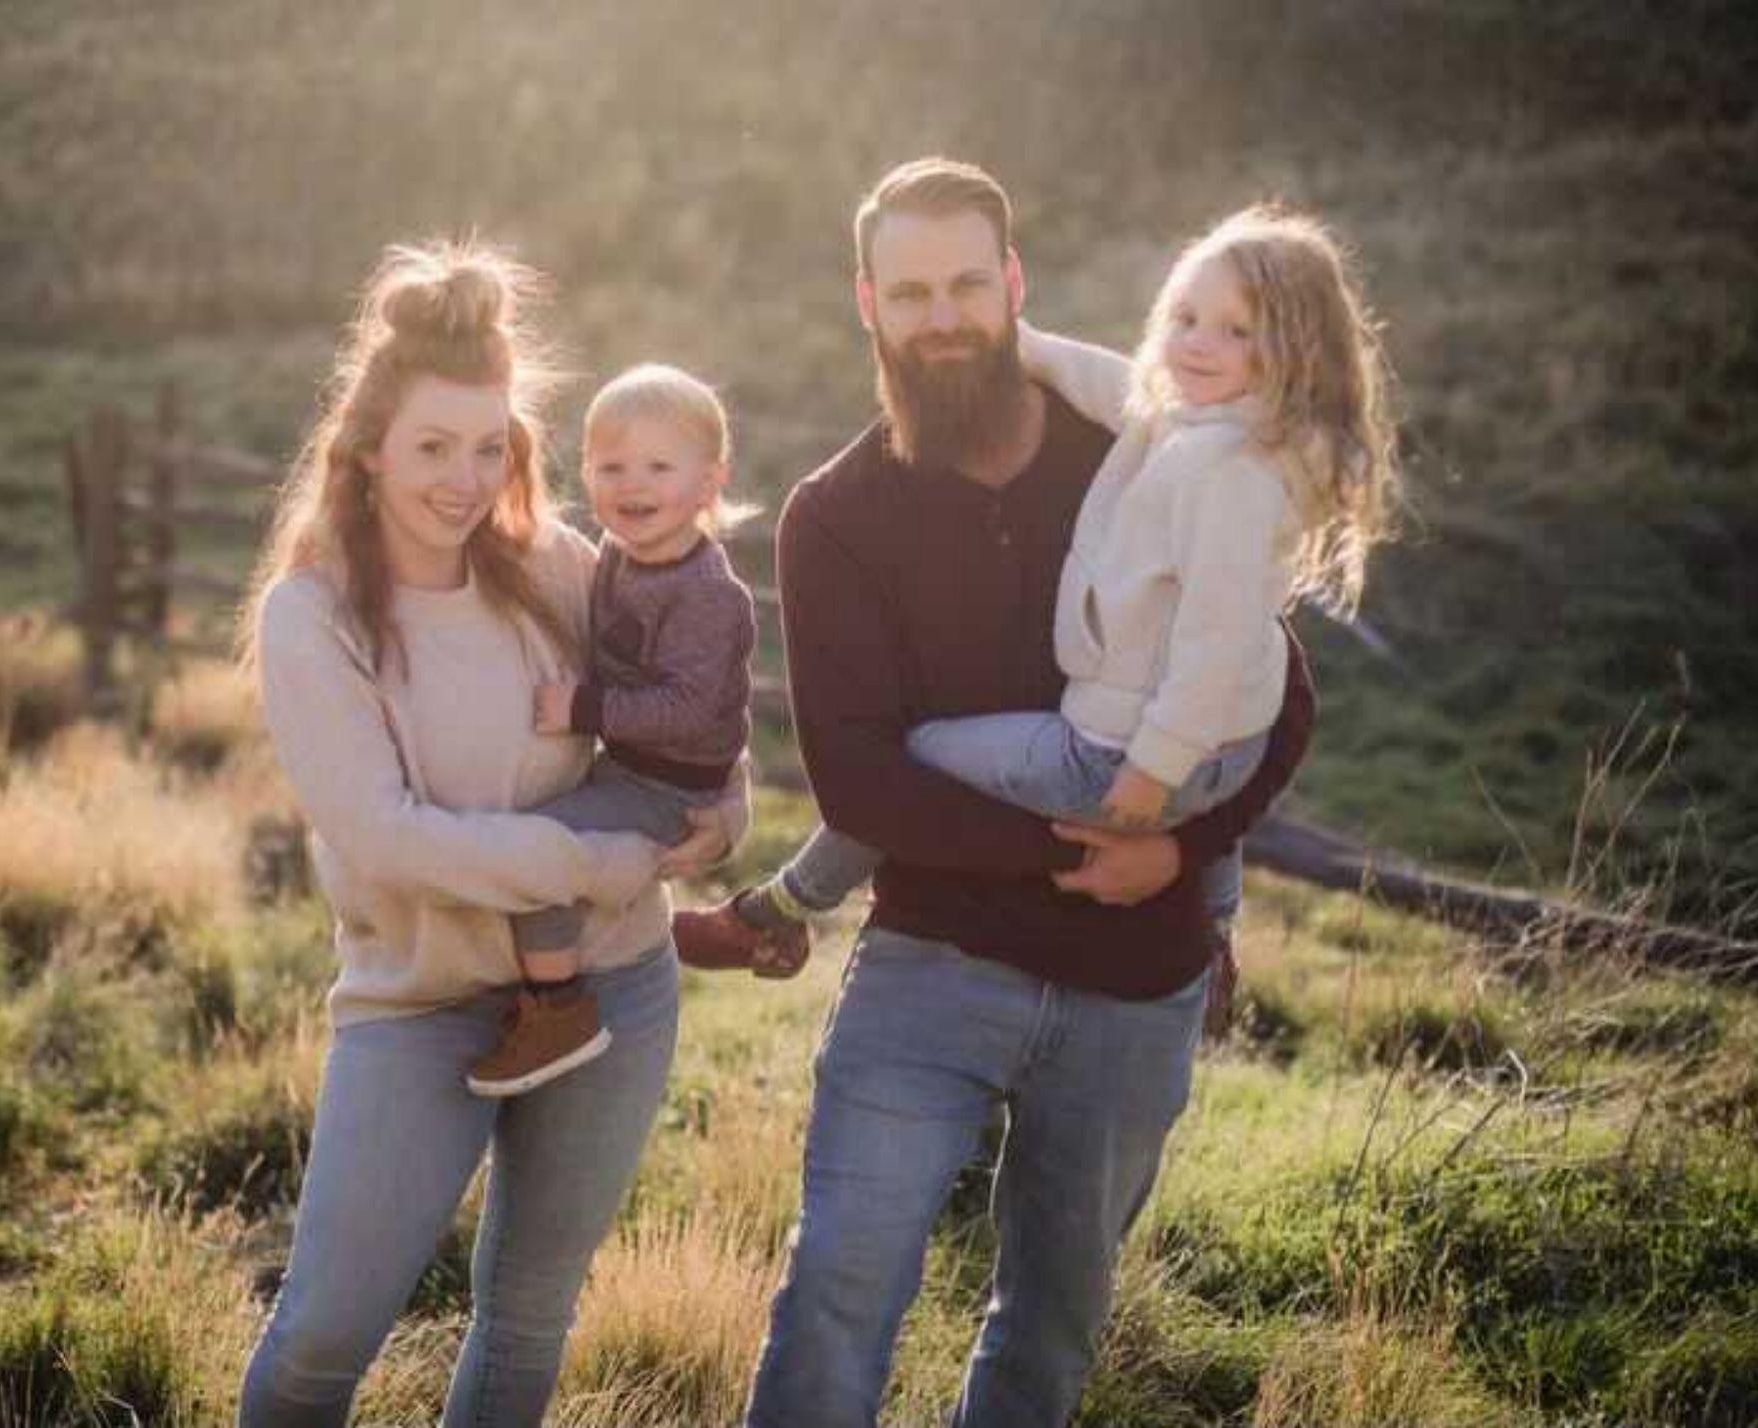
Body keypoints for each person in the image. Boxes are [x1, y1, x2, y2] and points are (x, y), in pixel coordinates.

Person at [716, 158, 1323, 1428]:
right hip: (931, 967)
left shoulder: (1143, 441)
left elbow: (1275, 685)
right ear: (866, 305)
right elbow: (859, 774)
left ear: (1010, 287)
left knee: (1049, 1330)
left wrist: (1179, 849)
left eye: (963, 286)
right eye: (908, 291)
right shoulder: (834, 515)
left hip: (1129, 985)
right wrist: (1078, 854)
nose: (940, 317)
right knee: (834, 1295)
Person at [234, 240, 743, 1428]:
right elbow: (384, 837)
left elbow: (695, 702)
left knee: (524, 1321)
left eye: (486, 446)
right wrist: (604, 861)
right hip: (422, 1001)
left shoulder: (553, 564)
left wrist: (721, 813)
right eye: (430, 448)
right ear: (365, 448)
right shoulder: (313, 617)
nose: (463, 481)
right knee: (321, 1334)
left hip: (615, 986)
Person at [681, 203, 1396, 1018]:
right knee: (1202, 766)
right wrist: (1006, 339)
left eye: (1237, 332)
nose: (1199, 342)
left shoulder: (1227, 478)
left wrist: (1151, 780)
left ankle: (783, 910)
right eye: (1189, 317)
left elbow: (1216, 644)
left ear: (1294, 352)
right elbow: (1120, 388)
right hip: (1226, 737)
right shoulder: (1217, 429)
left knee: (921, 753)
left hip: (1125, 752)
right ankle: (1218, 937)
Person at [466, 363, 772, 1098]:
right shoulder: (613, 556)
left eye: (659, 467)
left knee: (540, 858)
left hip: (668, 785)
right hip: (628, 766)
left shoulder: (706, 595)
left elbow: (691, 709)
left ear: (709, 483)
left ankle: (557, 1010)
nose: (631, 485)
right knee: (544, 840)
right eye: (610, 466)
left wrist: (585, 710)